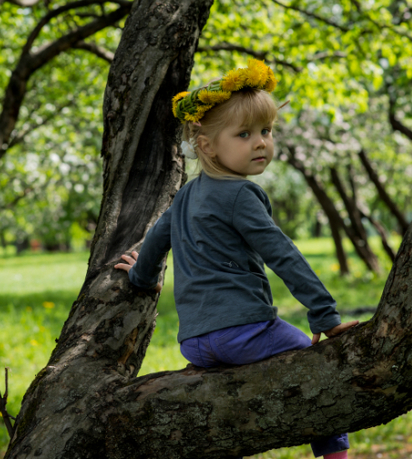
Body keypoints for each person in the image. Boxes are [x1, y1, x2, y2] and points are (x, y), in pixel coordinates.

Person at [114, 59, 358, 459]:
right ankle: (336, 456)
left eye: (266, 131)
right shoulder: (241, 195)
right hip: (243, 334)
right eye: (244, 134)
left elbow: (158, 239)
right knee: (322, 377)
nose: (261, 142)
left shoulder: (186, 195)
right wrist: (325, 316)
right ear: (207, 145)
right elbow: (283, 254)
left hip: (195, 343)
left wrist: (141, 277)